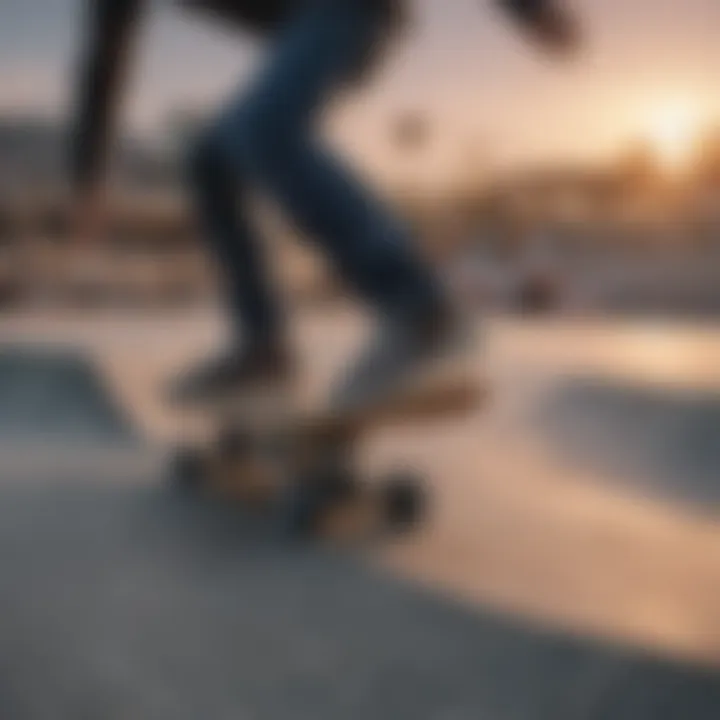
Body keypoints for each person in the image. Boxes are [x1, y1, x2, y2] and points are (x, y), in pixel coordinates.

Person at [71, 0, 579, 415]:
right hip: (303, 32)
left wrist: (528, 10)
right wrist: (89, 179)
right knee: (211, 158)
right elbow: (106, 58)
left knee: (261, 130)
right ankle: (263, 350)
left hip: (353, 11)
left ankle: (423, 312)